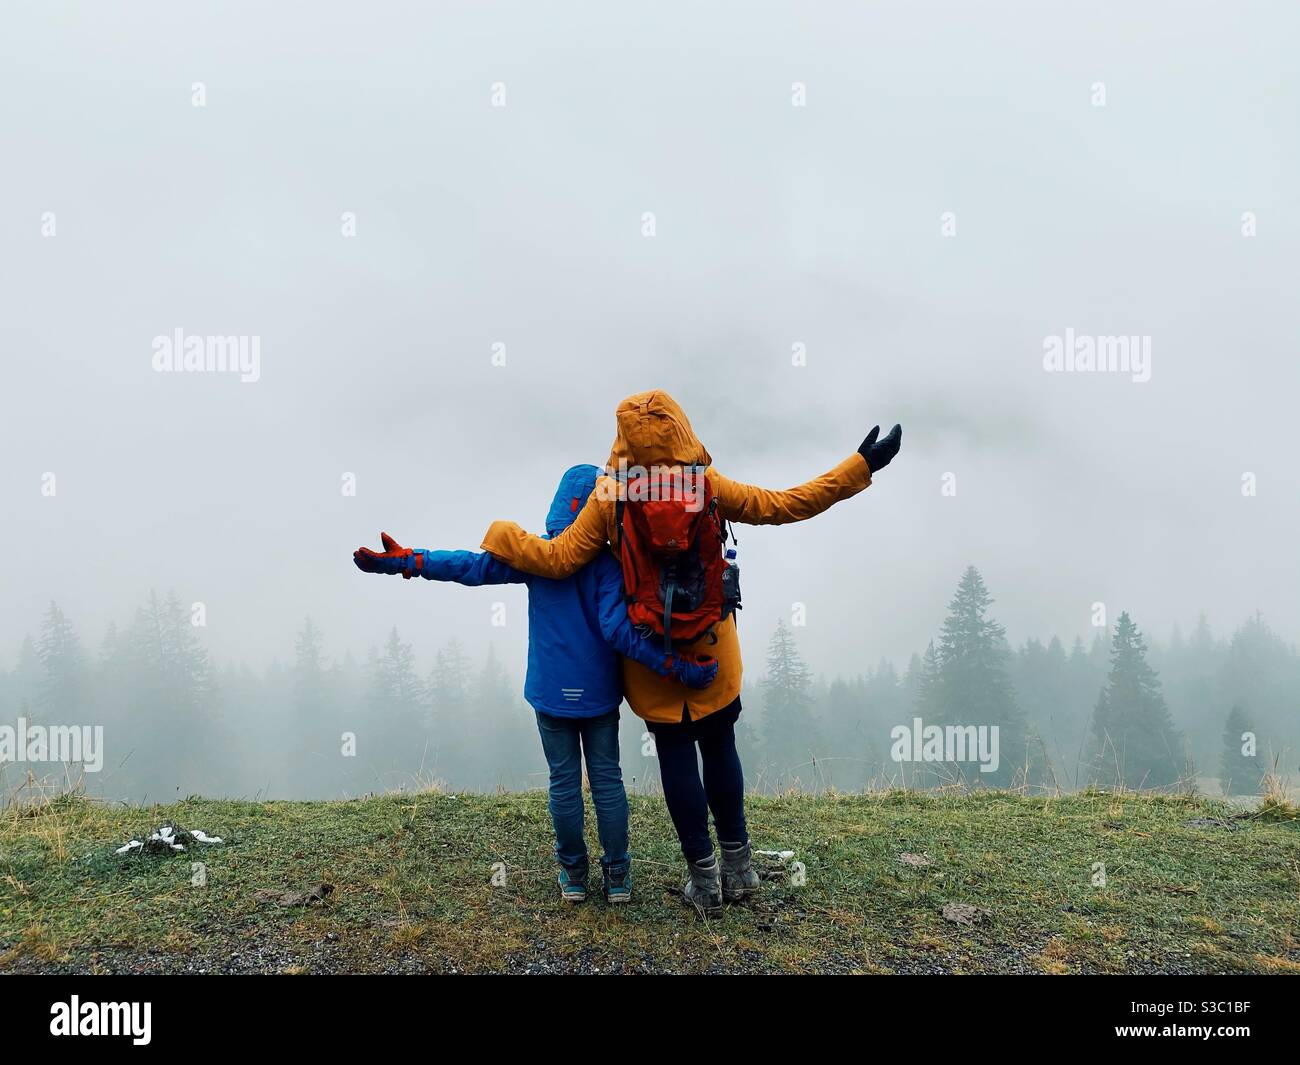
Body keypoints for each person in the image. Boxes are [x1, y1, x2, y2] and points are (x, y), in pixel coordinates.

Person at [478, 391, 901, 916]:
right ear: (681, 428)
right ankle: (739, 870)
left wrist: (501, 535)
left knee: (677, 760)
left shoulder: (610, 495)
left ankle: (704, 881)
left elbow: (560, 558)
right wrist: (859, 466)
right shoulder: (706, 485)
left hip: (653, 660)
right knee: (721, 749)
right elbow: (785, 504)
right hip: (711, 648)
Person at [353, 463, 718, 905]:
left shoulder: (536, 556)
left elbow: (471, 567)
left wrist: (411, 562)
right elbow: (619, 633)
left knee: (563, 782)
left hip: (549, 694)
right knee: (607, 782)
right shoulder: (607, 564)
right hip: (599, 696)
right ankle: (617, 877)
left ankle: (574, 876)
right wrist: (677, 666)